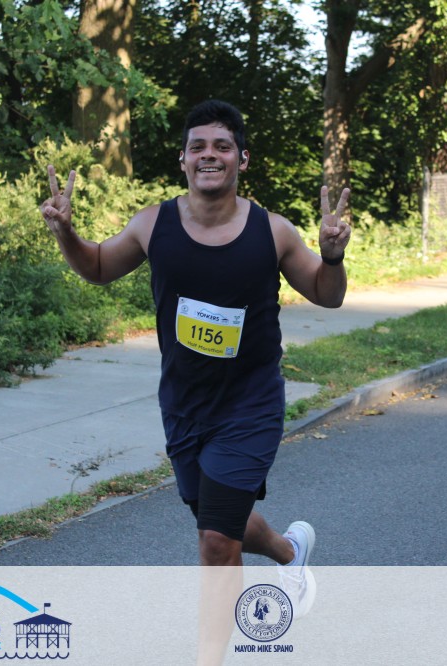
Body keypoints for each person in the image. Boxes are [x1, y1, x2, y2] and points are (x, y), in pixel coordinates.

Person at [39, 99, 350, 625]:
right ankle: (290, 552)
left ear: (241, 159)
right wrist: (66, 232)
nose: (209, 154)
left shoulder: (272, 231)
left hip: (250, 406)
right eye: (198, 146)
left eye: (222, 146)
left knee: (214, 542)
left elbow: (328, 293)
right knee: (216, 521)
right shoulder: (152, 224)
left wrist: (334, 256)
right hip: (184, 407)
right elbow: (97, 266)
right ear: (182, 159)